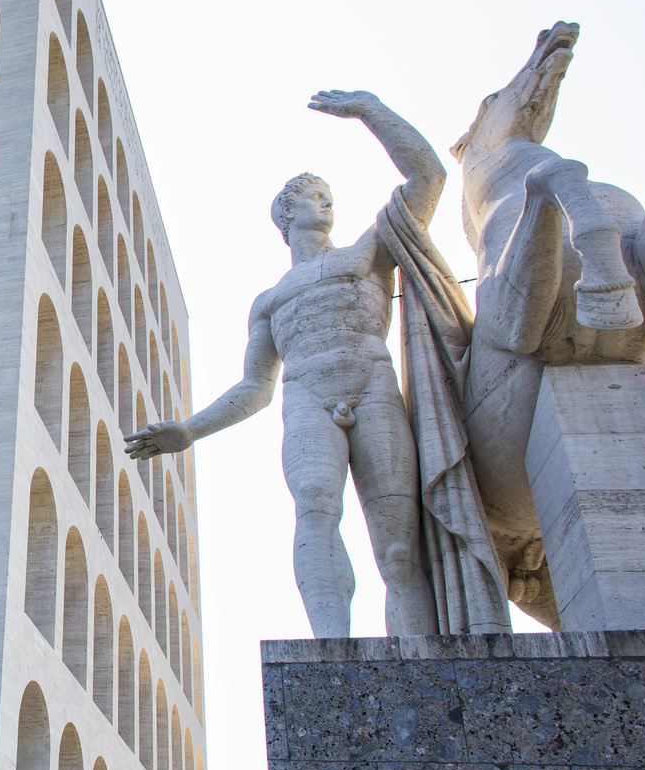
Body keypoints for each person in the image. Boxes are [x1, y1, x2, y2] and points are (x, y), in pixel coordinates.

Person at [127, 91, 449, 637]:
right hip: (307, 399)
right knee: (316, 510)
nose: (327, 204)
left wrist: (369, 110)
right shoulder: (270, 301)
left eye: (330, 197)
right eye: (316, 197)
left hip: (373, 385)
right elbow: (256, 387)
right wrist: (188, 430)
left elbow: (428, 178)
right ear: (287, 212)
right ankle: (331, 650)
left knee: (398, 546)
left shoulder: (366, 253)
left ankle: (415, 652)